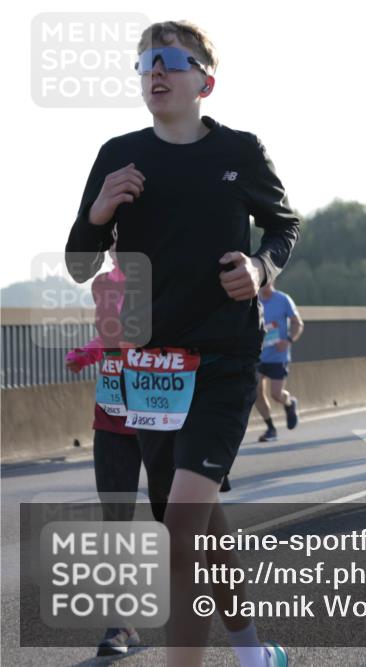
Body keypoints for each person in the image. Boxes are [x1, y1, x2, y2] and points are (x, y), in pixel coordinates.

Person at [65, 21, 295, 667]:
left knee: (182, 529)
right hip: (151, 368)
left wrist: (260, 268)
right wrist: (99, 213)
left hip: (223, 361)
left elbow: (284, 225)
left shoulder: (242, 151)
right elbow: (81, 263)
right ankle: (254, 652)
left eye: (170, 60)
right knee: (195, 523)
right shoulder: (118, 155)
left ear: (205, 81)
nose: (154, 72)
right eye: (144, 63)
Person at [63, 234, 144, 657]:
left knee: (184, 519)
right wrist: (88, 352)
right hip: (112, 413)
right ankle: (120, 624)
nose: (118, 245)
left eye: (126, 238)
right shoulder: (102, 286)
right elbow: (112, 336)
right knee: (116, 523)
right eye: (113, 239)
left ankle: (212, 611)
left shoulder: (168, 278)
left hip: (164, 415)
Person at [255, 280, 302, 442]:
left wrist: (288, 340)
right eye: (261, 284)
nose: (263, 287)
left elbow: (298, 323)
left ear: (272, 282)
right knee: (257, 391)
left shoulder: (283, 299)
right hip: (258, 356)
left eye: (266, 283)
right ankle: (270, 428)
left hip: (278, 356)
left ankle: (289, 403)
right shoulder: (253, 300)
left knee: (276, 394)